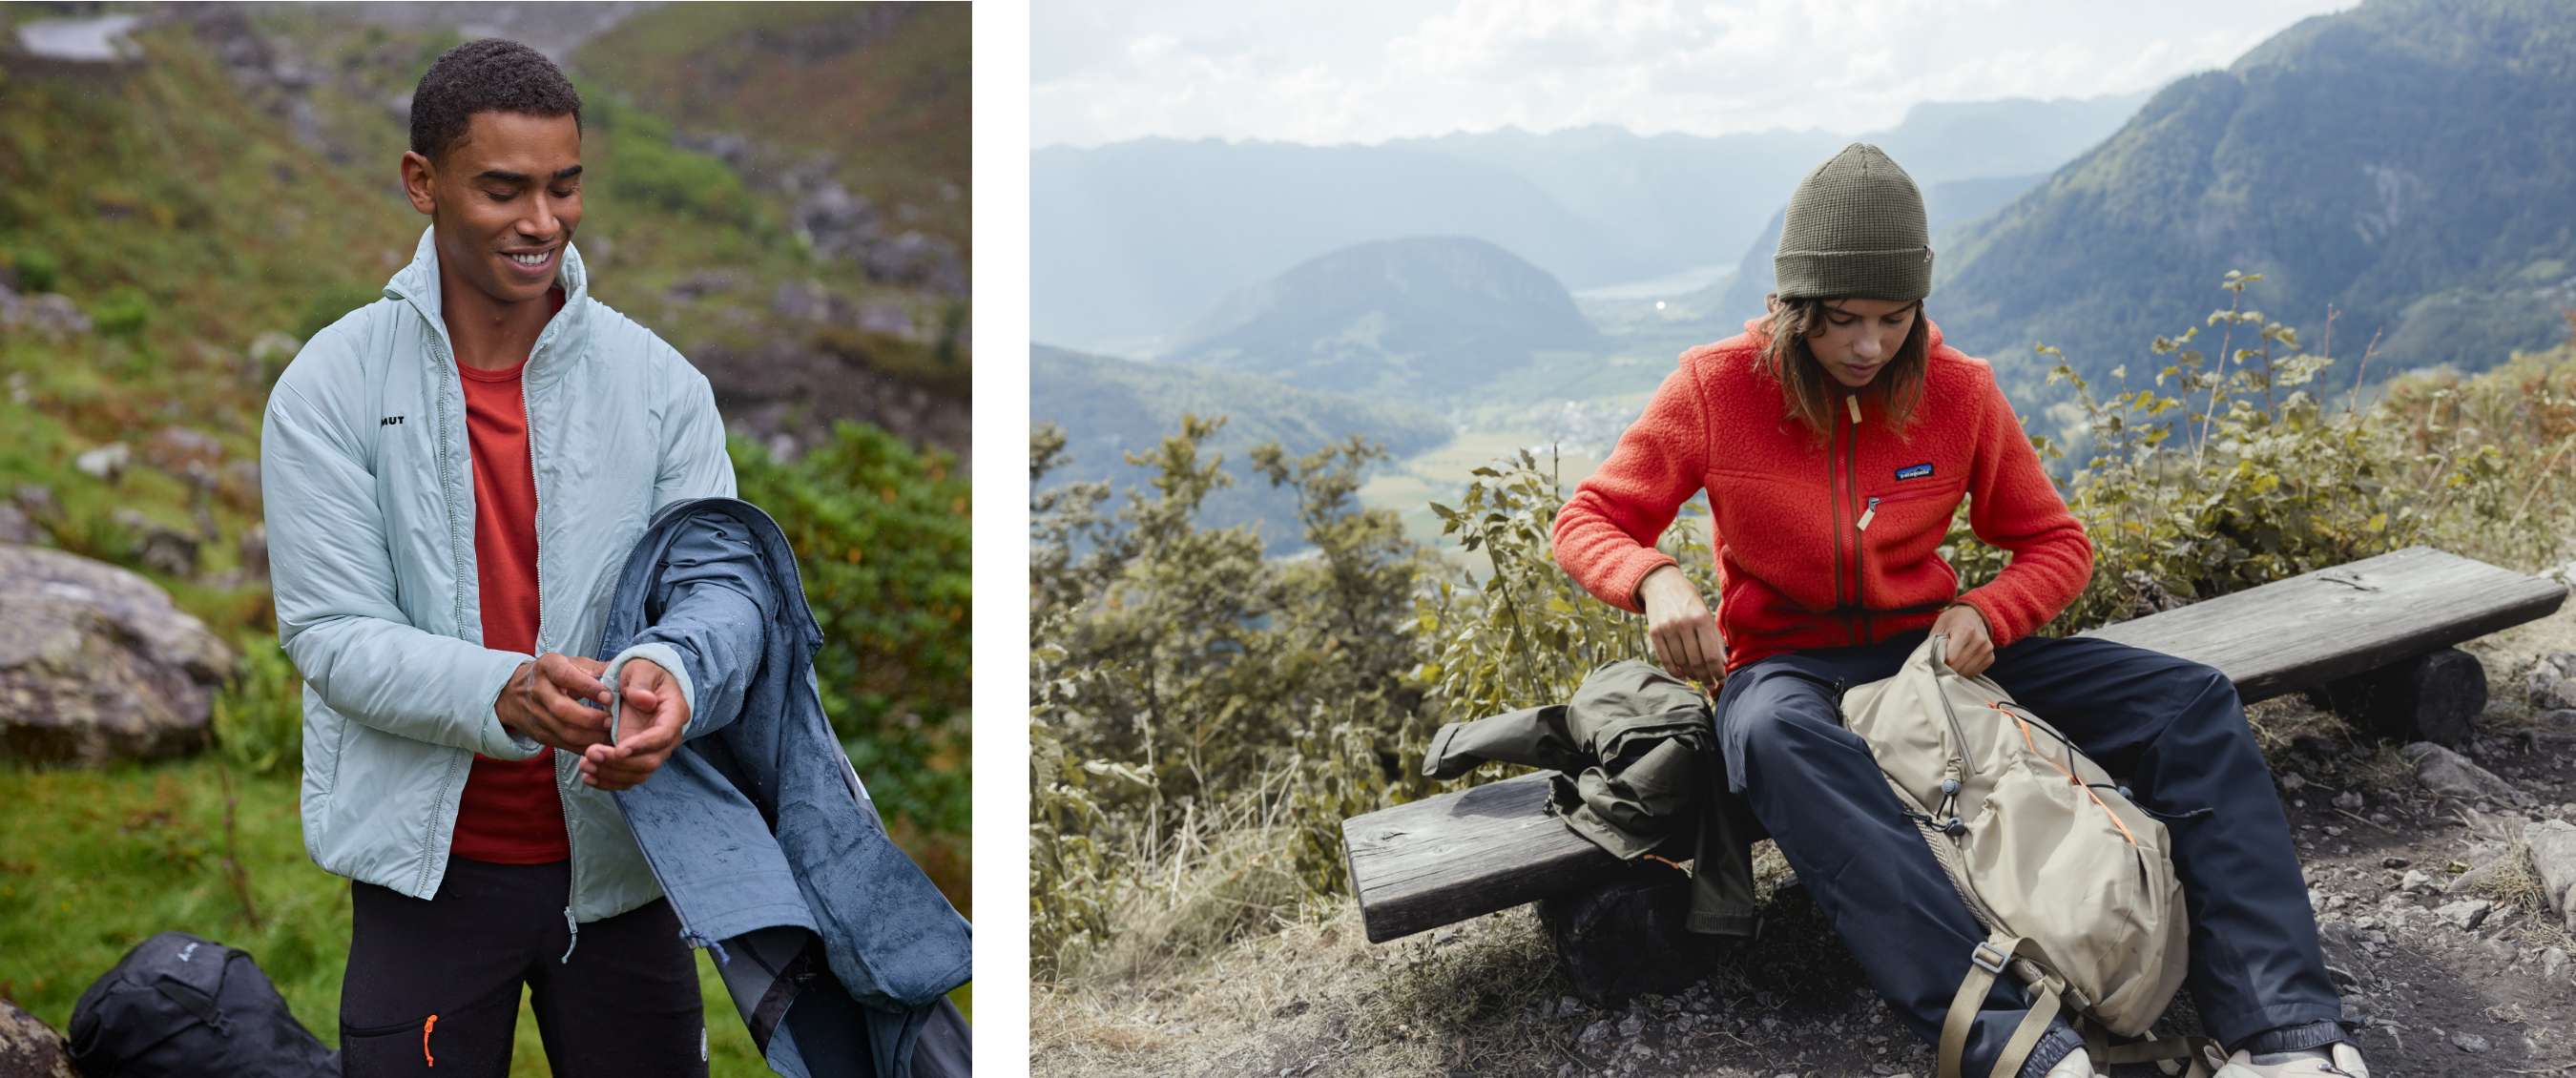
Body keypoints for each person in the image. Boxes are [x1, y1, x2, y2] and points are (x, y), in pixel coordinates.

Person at [1549, 143, 2366, 1078]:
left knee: (2192, 702)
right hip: (1786, 667)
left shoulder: (1958, 388)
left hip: (1938, 657)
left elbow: (2058, 542)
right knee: (1774, 733)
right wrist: (1654, 576)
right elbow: (1591, 517)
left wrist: (1994, 608)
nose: (1868, 345)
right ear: (1791, 309)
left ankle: (2283, 1028)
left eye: (1893, 319)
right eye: (1842, 321)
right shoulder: (1716, 385)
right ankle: (2012, 1040)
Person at [260, 38, 733, 1077]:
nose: (543, 222)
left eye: (565, 187)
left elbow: (716, 588)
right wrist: (505, 692)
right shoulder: (328, 386)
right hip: (425, 877)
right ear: (421, 183)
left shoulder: (661, 385)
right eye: (505, 189)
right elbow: (331, 633)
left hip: (623, 865)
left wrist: (677, 671)